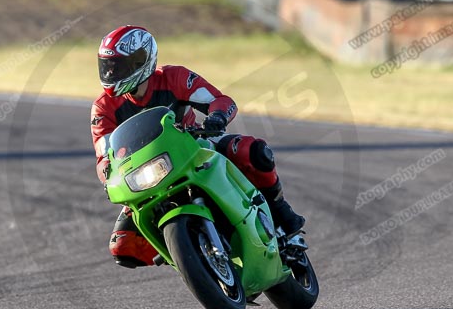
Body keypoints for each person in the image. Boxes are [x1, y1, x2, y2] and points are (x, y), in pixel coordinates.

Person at [90, 25, 306, 268]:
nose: (110, 73)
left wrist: (217, 118)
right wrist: (108, 172)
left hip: (193, 147)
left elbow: (221, 101)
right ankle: (188, 255)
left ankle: (280, 212)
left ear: (142, 60)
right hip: (145, 174)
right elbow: (103, 153)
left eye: (117, 66)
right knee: (123, 246)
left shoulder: (174, 77)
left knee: (252, 152)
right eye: (106, 66)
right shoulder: (103, 107)